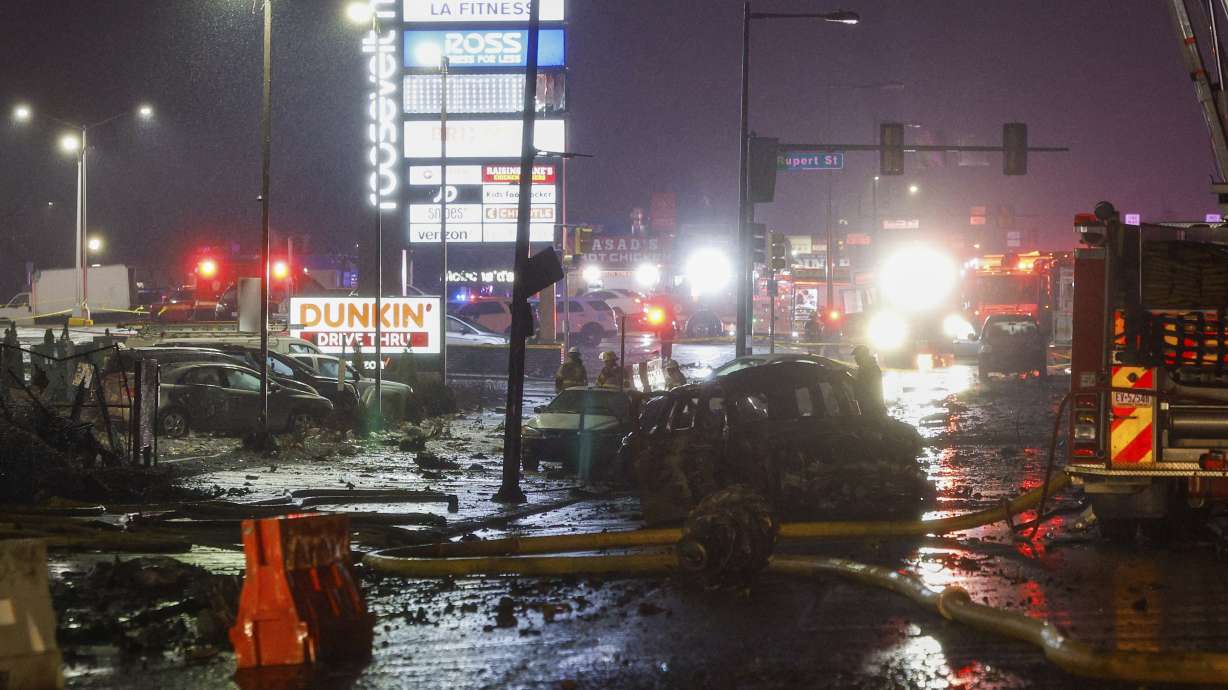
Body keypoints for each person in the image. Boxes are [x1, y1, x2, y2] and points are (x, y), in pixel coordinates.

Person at [851, 345, 886, 416]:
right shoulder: (865, 368)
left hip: (872, 407)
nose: (855, 359)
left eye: (857, 356)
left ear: (863, 356)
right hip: (869, 406)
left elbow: (865, 387)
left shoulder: (870, 369)